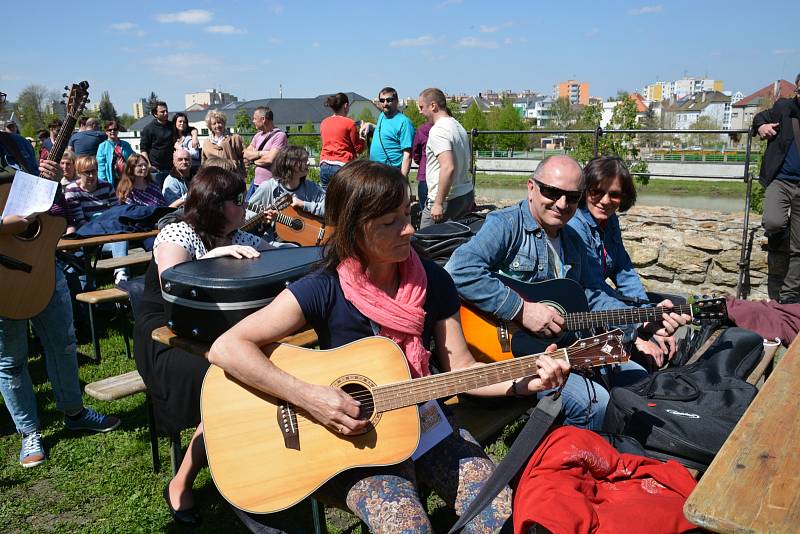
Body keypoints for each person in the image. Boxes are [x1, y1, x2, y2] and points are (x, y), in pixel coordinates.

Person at [208, 159, 569, 531]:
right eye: (390, 222)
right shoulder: (324, 286)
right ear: (354, 229)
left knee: (503, 517)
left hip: (429, 424)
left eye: (408, 214)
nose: (410, 229)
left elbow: (461, 370)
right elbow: (226, 347)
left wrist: (527, 381)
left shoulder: (433, 280)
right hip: (350, 444)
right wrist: (309, 397)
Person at [445, 155, 690, 430]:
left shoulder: (572, 240)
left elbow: (591, 297)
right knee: (594, 403)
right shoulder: (507, 225)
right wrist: (521, 310)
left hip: (560, 346)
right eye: (552, 192)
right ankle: (562, 461)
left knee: (636, 377)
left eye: (572, 197)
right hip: (512, 354)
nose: (562, 204)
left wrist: (643, 318)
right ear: (531, 187)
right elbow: (458, 269)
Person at [133, 166, 272, 525]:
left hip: (218, 334)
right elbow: (170, 283)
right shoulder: (178, 233)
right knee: (232, 383)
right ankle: (183, 481)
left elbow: (278, 257)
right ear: (215, 205)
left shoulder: (239, 235)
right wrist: (210, 258)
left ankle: (256, 466)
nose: (245, 205)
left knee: (263, 370)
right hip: (166, 336)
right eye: (237, 200)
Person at [0, 95, 120, 469]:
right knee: (11, 360)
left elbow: (38, 202)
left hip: (39, 259)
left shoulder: (17, 146)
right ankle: (29, 431)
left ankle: (74, 411)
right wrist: (15, 224)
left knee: (64, 343)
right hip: (3, 271)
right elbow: (18, 217)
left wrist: (48, 181)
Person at [567, 156, 682, 367]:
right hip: (581, 319)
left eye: (614, 194)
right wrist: (639, 327)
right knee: (641, 367)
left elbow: (624, 271)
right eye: (596, 192)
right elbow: (593, 291)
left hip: (606, 311)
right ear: (585, 190)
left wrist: (649, 315)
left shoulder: (610, 221)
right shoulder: (575, 226)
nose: (605, 201)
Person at [754, 73, 800, 304]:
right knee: (773, 222)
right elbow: (759, 117)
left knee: (799, 247)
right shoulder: (785, 107)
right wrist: (761, 126)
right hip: (781, 179)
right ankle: (781, 234)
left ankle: (789, 295)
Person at [64, 155, 129, 283]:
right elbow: (80, 222)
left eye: (94, 171)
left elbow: (117, 213)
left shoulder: (106, 186)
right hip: (86, 237)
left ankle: (121, 274)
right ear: (78, 173)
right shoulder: (72, 190)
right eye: (87, 172)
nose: (91, 176)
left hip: (108, 233)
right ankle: (87, 284)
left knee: (121, 237)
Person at [417, 88, 474, 227]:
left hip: (448, 199)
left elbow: (448, 167)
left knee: (424, 243)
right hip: (464, 194)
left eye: (421, 107)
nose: (420, 111)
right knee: (453, 242)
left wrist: (437, 203)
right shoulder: (458, 126)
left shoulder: (439, 130)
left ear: (433, 106)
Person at [249, 146, 325, 244]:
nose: (308, 163)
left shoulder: (311, 188)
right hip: (275, 245)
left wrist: (304, 204)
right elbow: (247, 211)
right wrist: (262, 218)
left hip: (310, 244)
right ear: (290, 164)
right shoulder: (268, 187)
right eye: (304, 160)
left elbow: (332, 209)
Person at [360, 87, 415, 177]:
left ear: (396, 101)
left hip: (391, 174)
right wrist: (370, 125)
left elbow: (407, 155)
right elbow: (384, 131)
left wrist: (402, 181)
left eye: (389, 100)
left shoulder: (404, 122)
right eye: (382, 100)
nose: (385, 103)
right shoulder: (382, 115)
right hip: (375, 172)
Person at [319, 92, 365, 190]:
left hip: (324, 165)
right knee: (343, 199)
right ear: (346, 105)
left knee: (326, 199)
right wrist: (362, 135)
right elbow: (359, 149)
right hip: (342, 166)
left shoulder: (324, 122)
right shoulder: (349, 123)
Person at [242, 106, 287, 200]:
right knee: (251, 210)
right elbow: (245, 154)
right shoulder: (257, 135)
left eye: (254, 118)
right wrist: (262, 153)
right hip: (256, 183)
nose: (253, 121)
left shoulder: (280, 136)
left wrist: (253, 160)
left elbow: (270, 159)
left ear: (263, 119)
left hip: (272, 185)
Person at [201, 110, 245, 179]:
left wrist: (243, 173)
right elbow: (204, 162)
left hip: (232, 176)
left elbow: (244, 157)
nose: (217, 125)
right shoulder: (207, 143)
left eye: (219, 122)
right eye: (214, 123)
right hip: (213, 178)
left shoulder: (234, 138)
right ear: (210, 126)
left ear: (224, 123)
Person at [140, 101, 175, 185]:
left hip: (172, 168)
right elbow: (143, 149)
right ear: (155, 114)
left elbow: (189, 129)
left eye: (166, 111)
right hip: (156, 170)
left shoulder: (172, 126)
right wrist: (148, 165)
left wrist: (194, 135)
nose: (166, 113)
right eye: (162, 112)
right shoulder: (148, 129)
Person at [96, 120, 134, 187]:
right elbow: (101, 167)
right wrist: (103, 183)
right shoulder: (102, 146)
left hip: (126, 178)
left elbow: (133, 159)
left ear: (118, 131)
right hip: (111, 181)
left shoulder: (125, 144)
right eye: (110, 130)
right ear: (106, 131)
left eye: (115, 129)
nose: (112, 131)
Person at [411, 119, 432, 208]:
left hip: (425, 168)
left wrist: (419, 161)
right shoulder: (446, 128)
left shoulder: (421, 130)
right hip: (442, 170)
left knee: (424, 198)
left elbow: (415, 151)